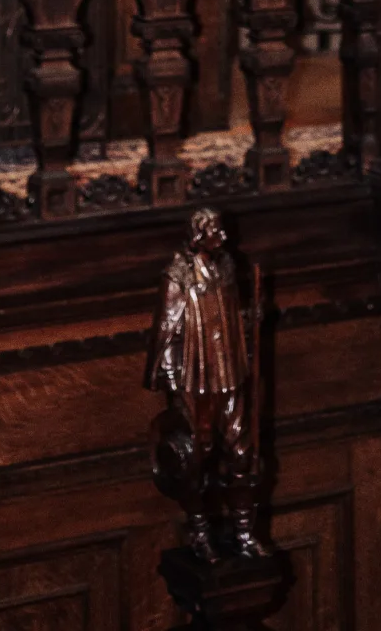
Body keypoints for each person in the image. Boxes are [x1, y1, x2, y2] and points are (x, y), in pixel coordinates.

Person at [145, 210, 264, 565]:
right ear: (198, 235)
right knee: (195, 458)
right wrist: (169, 373)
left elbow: (232, 313)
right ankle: (200, 535)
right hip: (195, 377)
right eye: (215, 232)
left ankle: (244, 534)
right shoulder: (178, 275)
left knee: (242, 453)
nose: (223, 238)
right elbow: (167, 328)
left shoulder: (226, 267)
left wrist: (250, 320)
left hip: (229, 370)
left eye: (222, 231)